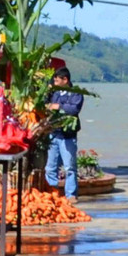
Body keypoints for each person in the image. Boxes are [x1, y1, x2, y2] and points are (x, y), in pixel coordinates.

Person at [44, 64, 85, 201]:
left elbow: (74, 109)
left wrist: (58, 106)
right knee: (50, 167)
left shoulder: (76, 93)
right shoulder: (54, 93)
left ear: (65, 80)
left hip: (68, 135)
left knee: (69, 167)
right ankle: (52, 193)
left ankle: (71, 194)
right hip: (53, 132)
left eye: (57, 80)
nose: (55, 83)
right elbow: (44, 104)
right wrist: (47, 91)